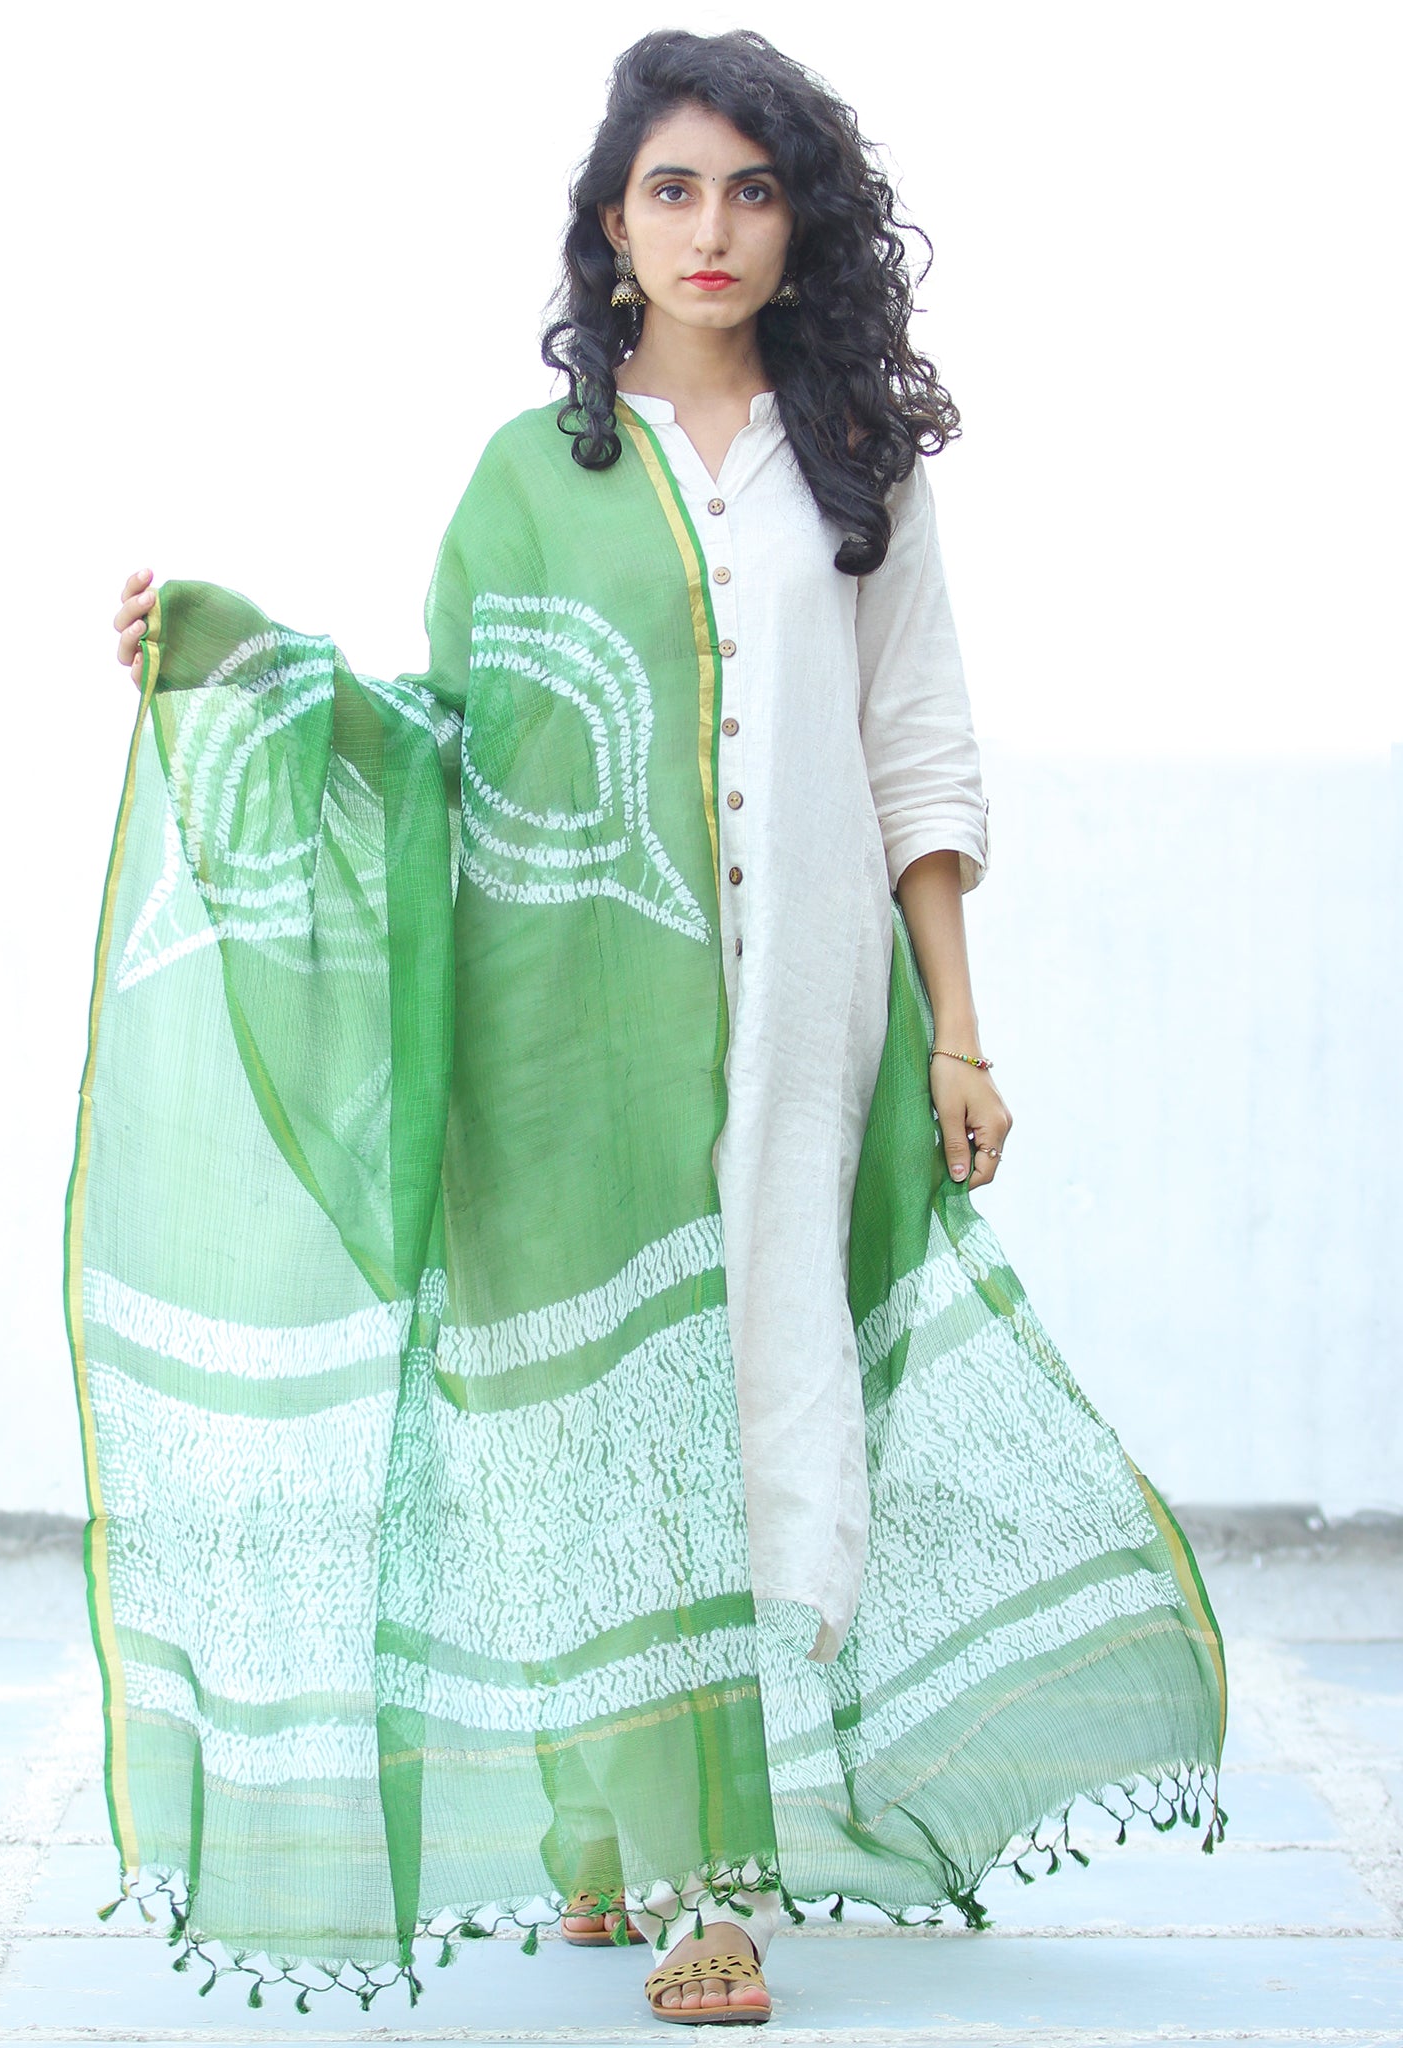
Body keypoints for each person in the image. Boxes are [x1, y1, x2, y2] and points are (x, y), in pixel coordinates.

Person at [89, 28, 1225, 2031]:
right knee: (601, 1443)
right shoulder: (530, 480)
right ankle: (687, 1864)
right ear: (610, 228)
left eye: (752, 190)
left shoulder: (857, 466)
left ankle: (665, 1844)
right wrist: (245, 665)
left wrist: (960, 1034)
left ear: (803, 222)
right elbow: (454, 748)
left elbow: (916, 747)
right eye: (673, 190)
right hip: (565, 1054)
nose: (713, 229)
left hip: (799, 1042)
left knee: (766, 1409)